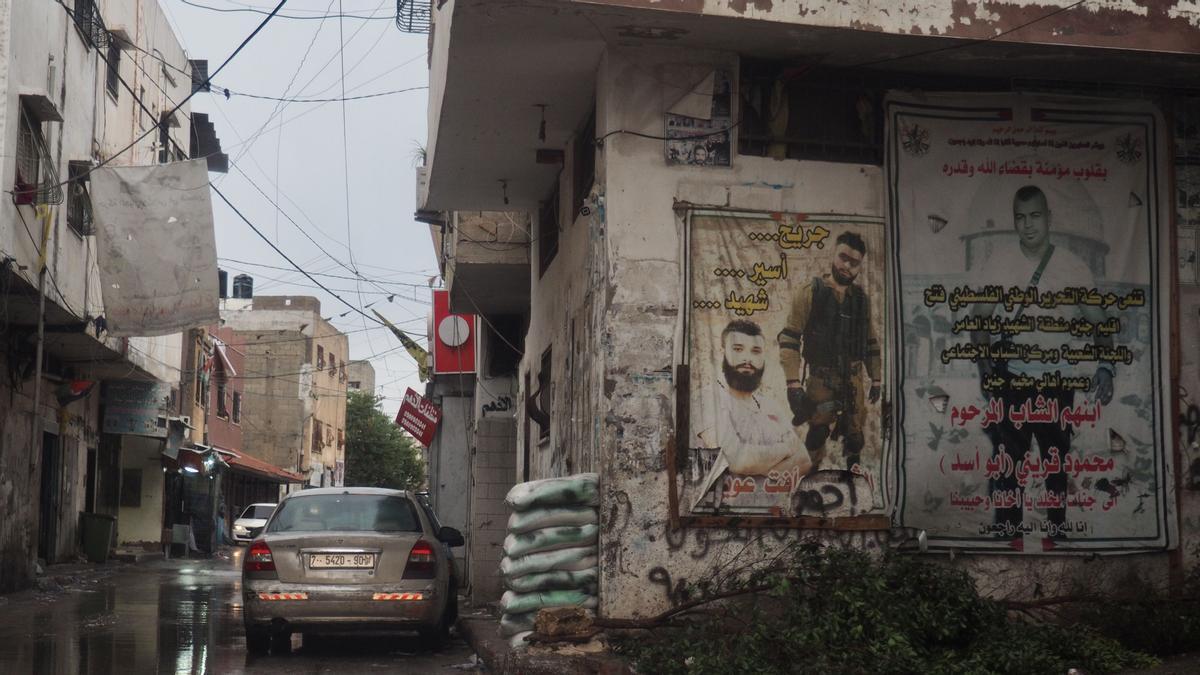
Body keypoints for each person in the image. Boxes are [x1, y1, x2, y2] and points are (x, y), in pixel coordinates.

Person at [970, 185, 1115, 536]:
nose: (1028, 225)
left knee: (1056, 462)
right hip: (1014, 380)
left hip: (1058, 380)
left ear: (1048, 218)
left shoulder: (1073, 266)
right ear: (1014, 221)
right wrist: (984, 357)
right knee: (1009, 464)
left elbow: (1100, 323)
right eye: (1021, 218)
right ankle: (1010, 533)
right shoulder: (1001, 263)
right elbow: (980, 318)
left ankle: (1056, 531)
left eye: (1035, 216)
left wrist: (1106, 367)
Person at [778, 231, 882, 470]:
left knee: (855, 434)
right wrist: (793, 384)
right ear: (832, 255)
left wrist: (876, 379)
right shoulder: (811, 292)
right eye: (843, 257)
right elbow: (790, 339)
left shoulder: (860, 300)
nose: (847, 266)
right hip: (821, 379)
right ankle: (808, 476)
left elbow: (870, 342)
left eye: (854, 263)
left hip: (854, 379)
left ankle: (854, 479)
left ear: (860, 267)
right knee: (817, 432)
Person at [694, 320, 812, 510]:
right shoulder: (707, 399)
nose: (747, 359)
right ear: (722, 352)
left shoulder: (770, 406)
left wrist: (755, 470)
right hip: (721, 514)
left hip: (773, 514)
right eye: (738, 349)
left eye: (755, 351)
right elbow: (738, 460)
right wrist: (785, 449)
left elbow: (804, 461)